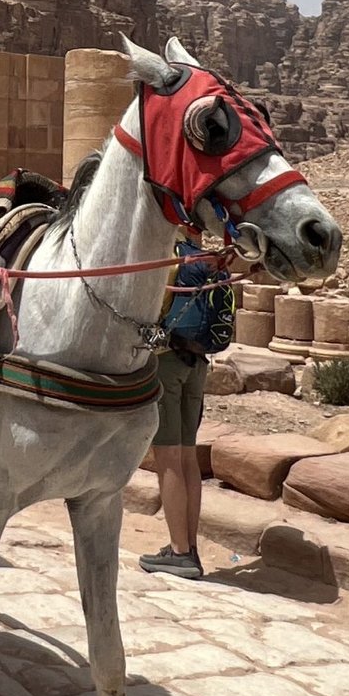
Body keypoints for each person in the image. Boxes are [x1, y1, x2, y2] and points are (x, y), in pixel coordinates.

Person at [138, 232, 231, 581]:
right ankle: (188, 546)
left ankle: (179, 553)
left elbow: (152, 307)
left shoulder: (171, 256)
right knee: (188, 457)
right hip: (198, 363)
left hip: (168, 362)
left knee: (167, 457)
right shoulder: (206, 259)